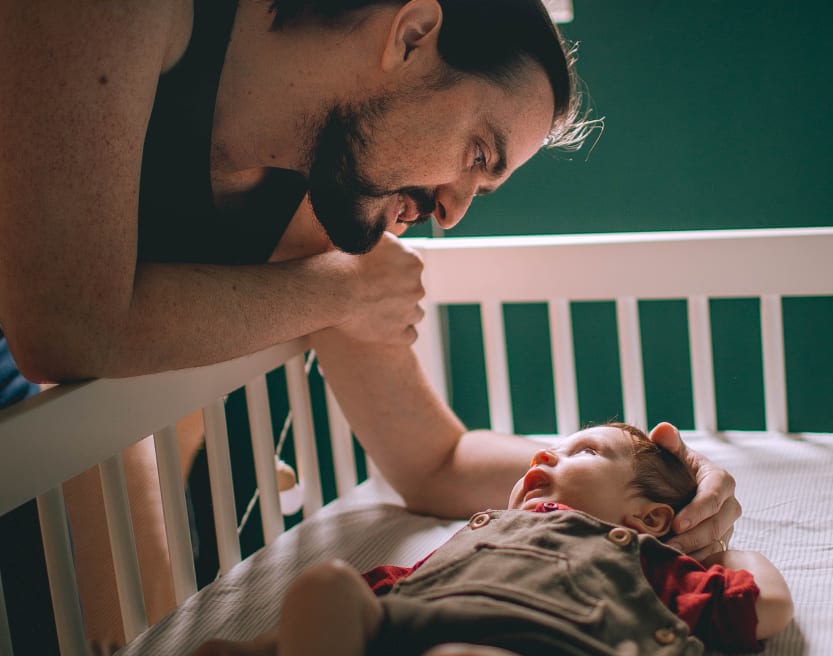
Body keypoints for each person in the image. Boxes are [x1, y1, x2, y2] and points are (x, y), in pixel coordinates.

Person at [0, 0, 740, 646]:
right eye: (475, 154)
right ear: (411, 35)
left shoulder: (315, 208)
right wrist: (338, 295)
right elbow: (63, 326)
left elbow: (435, 462)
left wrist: (635, 481)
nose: (450, 212)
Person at [194, 423, 792, 655]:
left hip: (548, 642)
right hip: (412, 626)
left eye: (581, 451)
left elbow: (766, 607)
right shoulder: (476, 534)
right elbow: (382, 596)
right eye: (550, 448)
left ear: (650, 518)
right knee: (324, 585)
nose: (543, 454)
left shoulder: (641, 557)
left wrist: (721, 552)